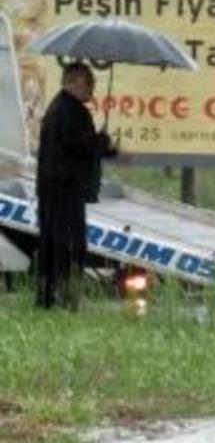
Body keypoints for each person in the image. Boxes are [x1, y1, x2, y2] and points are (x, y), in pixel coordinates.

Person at [36, 62, 117, 309]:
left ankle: (47, 300)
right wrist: (101, 143)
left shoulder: (59, 107)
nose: (92, 86)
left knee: (52, 245)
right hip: (65, 190)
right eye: (87, 81)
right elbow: (79, 148)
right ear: (71, 82)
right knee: (69, 247)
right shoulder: (71, 111)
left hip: (54, 189)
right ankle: (66, 300)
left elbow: (75, 146)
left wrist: (100, 145)